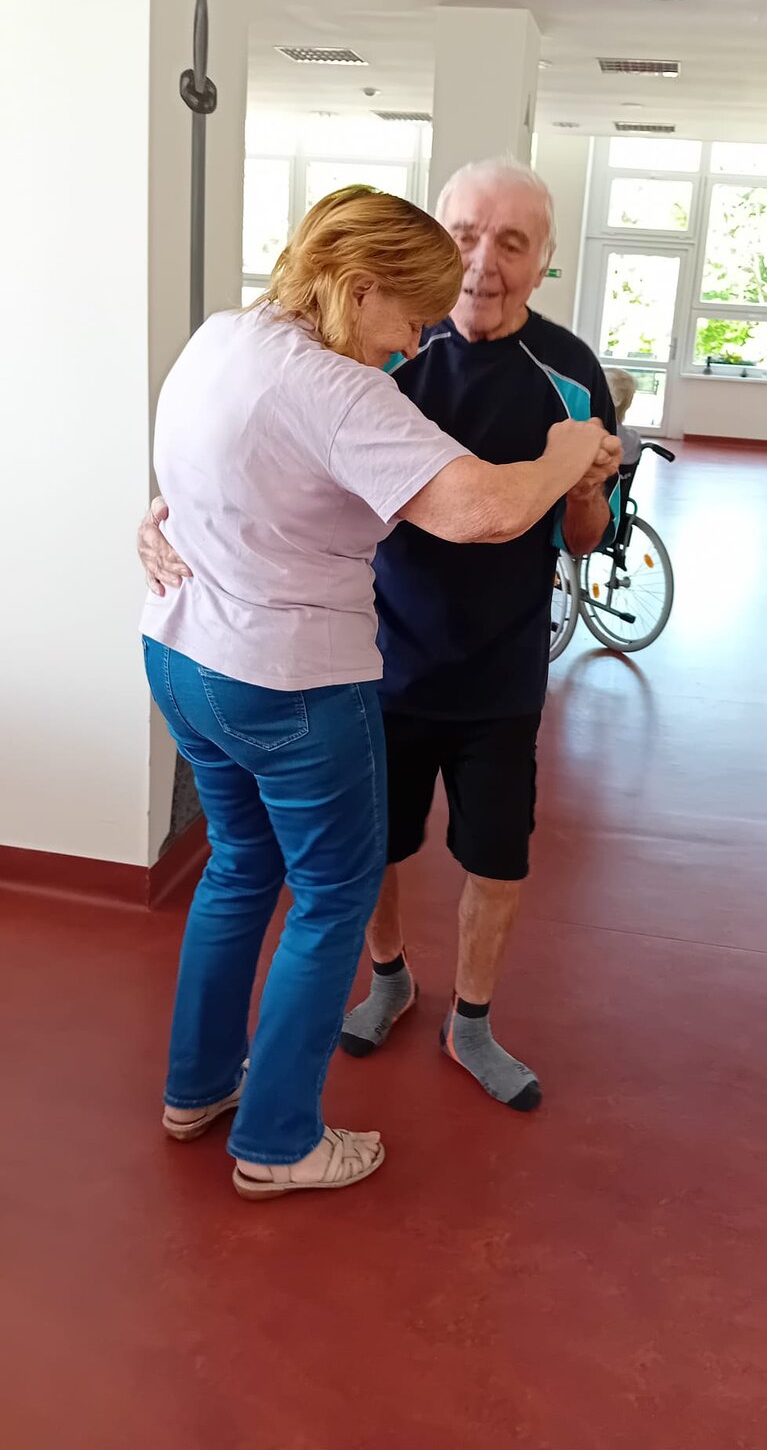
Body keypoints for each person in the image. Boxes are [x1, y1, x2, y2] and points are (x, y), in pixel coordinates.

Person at [139, 185, 607, 1201]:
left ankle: (198, 1089)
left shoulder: (224, 337)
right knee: (333, 898)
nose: (413, 341)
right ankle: (277, 1142)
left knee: (238, 867)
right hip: (289, 680)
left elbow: (211, 464)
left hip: (183, 658)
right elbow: (484, 510)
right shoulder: (342, 388)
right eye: (409, 315)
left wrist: (159, 514)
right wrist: (565, 454)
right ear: (358, 289)